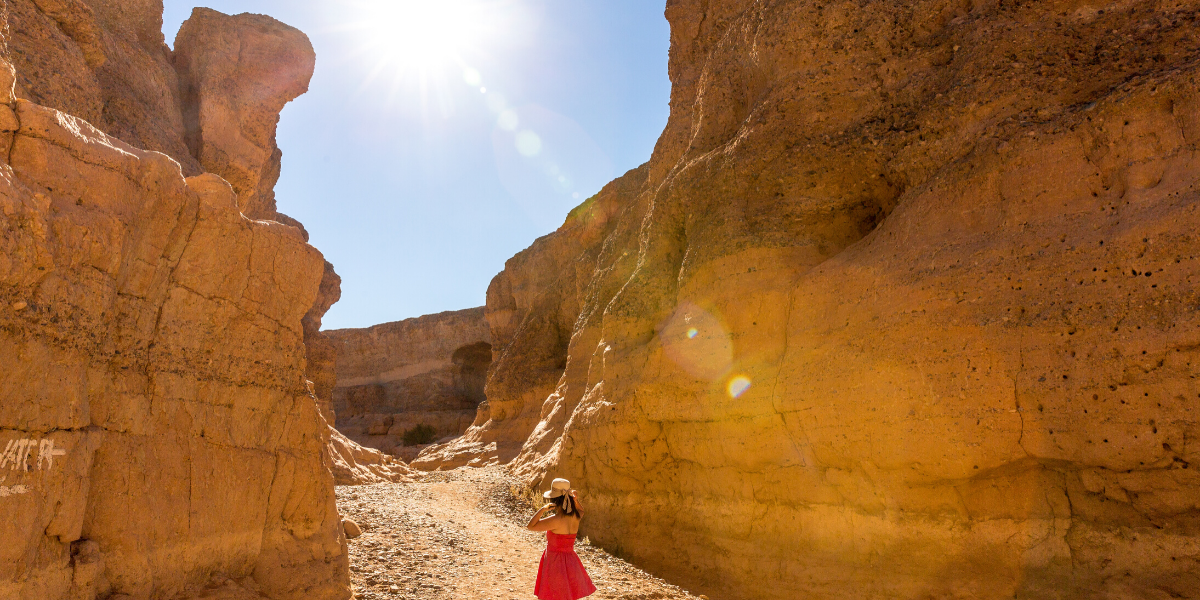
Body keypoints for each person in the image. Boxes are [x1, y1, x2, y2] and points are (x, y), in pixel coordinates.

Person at [526, 478, 597, 600]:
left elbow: (530, 526)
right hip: (570, 560)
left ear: (554, 500)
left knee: (553, 595)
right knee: (566, 595)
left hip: (555, 562)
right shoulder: (576, 516)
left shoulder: (555, 520)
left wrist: (542, 509)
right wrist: (575, 500)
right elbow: (581, 510)